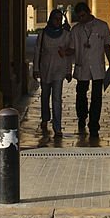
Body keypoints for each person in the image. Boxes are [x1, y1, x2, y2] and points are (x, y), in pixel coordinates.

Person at [70, 1, 110, 141]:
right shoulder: (76, 30)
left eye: (83, 15)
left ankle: (94, 124)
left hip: (97, 66)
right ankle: (82, 116)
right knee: (81, 93)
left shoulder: (102, 26)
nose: (81, 19)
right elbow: (72, 48)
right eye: (79, 17)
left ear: (88, 12)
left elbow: (107, 45)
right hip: (82, 65)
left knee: (97, 96)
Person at [32, 9, 74, 139]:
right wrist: (35, 69)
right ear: (50, 19)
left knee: (57, 98)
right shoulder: (43, 34)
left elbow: (68, 55)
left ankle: (57, 126)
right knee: (45, 96)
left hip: (59, 70)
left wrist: (68, 71)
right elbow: (37, 52)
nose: (57, 21)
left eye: (59, 19)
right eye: (55, 18)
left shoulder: (66, 35)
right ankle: (45, 118)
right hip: (45, 69)